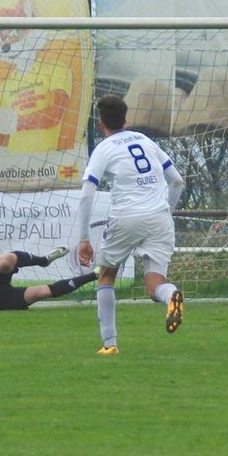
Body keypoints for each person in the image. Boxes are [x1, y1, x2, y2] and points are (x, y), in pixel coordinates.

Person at [74, 94, 187, 355]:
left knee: (106, 275)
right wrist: (167, 213)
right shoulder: (145, 140)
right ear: (126, 119)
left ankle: (110, 344)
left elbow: (87, 193)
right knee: (155, 284)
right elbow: (177, 181)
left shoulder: (104, 148)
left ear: (100, 123)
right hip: (159, 217)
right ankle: (171, 295)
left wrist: (83, 238)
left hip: (126, 217)